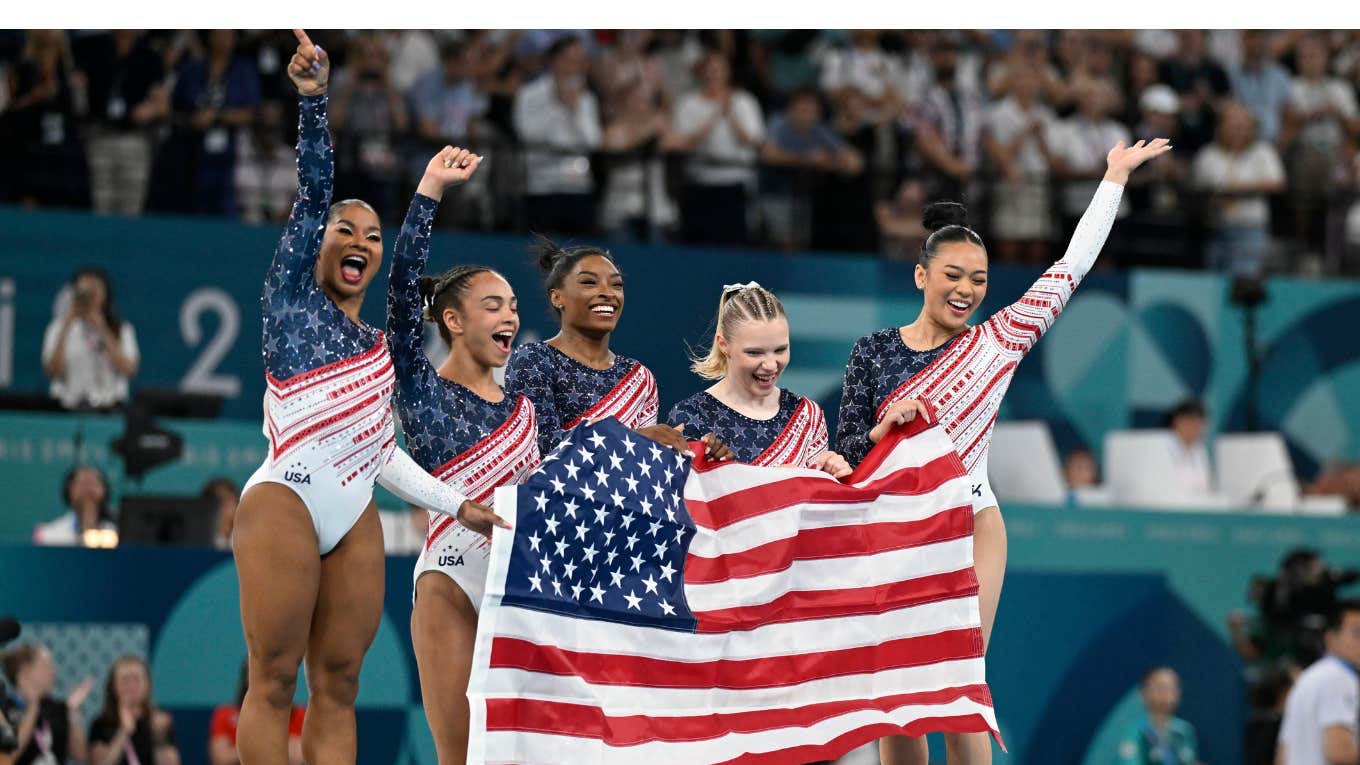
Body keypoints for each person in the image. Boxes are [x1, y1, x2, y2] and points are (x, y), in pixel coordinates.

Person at [837, 138, 1172, 765]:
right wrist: (885, 427)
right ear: (920, 277)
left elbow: (1071, 266)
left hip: (970, 527)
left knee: (956, 677)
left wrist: (1113, 181)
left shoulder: (999, 341)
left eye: (979, 280)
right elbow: (846, 453)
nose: (966, 291)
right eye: (952, 277)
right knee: (900, 697)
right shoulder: (874, 351)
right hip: (896, 534)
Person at [231, 31, 475, 765]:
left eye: (373, 231)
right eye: (347, 227)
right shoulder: (290, 299)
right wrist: (313, 102)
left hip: (354, 508)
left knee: (338, 682)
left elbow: (381, 453)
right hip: (287, 498)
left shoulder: (377, 348)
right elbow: (312, 192)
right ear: (320, 243)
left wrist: (455, 502)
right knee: (274, 679)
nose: (361, 238)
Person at [386, 147, 537, 764]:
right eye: (493, 306)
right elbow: (399, 299)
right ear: (452, 320)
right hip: (452, 577)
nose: (511, 316)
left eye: (513, 306)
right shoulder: (421, 387)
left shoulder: (526, 406)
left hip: (526, 582)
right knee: (462, 755)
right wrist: (428, 192)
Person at [505, 240, 719, 461]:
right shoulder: (534, 359)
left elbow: (645, 467)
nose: (608, 293)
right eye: (589, 283)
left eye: (616, 285)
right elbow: (535, 447)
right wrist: (630, 438)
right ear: (557, 297)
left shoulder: (638, 377)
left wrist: (702, 454)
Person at [668, 282, 849, 477]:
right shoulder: (691, 417)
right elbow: (684, 503)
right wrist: (772, 482)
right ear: (724, 345)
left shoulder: (807, 414)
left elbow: (817, 503)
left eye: (780, 349)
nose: (771, 365)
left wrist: (835, 477)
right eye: (754, 353)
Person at [1191, 102, 1285, 276]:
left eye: (1243, 126)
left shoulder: (1263, 152)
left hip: (1250, 227)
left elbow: (1276, 183)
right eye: (1232, 125)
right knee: (1214, 284)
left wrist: (1235, 189)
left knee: (1243, 282)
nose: (1238, 130)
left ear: (1252, 128)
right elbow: (1201, 187)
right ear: (1220, 127)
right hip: (1215, 228)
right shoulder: (1208, 155)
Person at [41, 266, 140, 412]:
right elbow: (53, 371)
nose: (90, 298)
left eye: (94, 291)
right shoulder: (57, 328)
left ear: (105, 295)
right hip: (67, 406)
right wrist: (67, 325)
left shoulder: (122, 329)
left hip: (110, 408)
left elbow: (129, 369)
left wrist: (102, 328)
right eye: (84, 293)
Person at [1277, 600, 1360, 765]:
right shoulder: (1339, 678)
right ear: (1330, 638)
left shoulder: (1308, 678)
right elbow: (1339, 753)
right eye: (1357, 634)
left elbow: (1282, 757)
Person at [0, 643, 93, 765]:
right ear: (24, 671)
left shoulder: (57, 708)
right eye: (46, 666)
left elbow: (80, 755)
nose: (54, 671)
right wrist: (33, 706)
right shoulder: (4, 708)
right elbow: (8, 756)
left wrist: (71, 713)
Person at [87, 655, 179, 765]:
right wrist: (124, 732)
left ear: (147, 684)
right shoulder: (101, 723)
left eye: (137, 679)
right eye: (125, 680)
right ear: (113, 686)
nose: (132, 686)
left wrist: (159, 737)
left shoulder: (158, 720)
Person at [209, 661, 303, 765]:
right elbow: (222, 759)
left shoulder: (299, 715)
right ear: (247, 677)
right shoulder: (226, 715)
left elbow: (296, 758)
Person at [1115, 666, 1202, 765]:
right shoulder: (1133, 730)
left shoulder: (1184, 730)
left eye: (1172, 686)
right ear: (1144, 692)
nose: (1167, 692)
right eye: (1161, 687)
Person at [33, 465, 118, 547]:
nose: (88, 489)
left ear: (104, 490)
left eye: (94, 483)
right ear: (69, 491)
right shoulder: (49, 534)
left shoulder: (117, 531)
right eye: (83, 483)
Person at [1165, 399, 1214, 498]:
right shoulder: (1163, 446)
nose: (1196, 426)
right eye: (1191, 420)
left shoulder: (1200, 450)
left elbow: (1205, 487)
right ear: (1177, 421)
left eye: (1200, 422)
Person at [199, 478, 239, 551]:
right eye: (219, 500)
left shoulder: (249, 534)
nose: (225, 505)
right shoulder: (198, 536)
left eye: (228, 499)